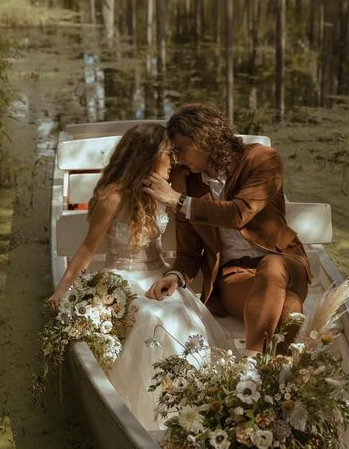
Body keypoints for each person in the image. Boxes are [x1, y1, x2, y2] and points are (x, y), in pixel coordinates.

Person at [47, 123, 230, 429]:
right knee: (150, 318)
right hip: (124, 278)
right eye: (167, 155)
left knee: (183, 318)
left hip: (160, 274)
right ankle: (156, 416)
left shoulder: (169, 187)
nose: (173, 161)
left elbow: (205, 175)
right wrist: (61, 290)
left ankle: (200, 403)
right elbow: (87, 250)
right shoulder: (113, 197)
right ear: (146, 157)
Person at [145, 104, 312, 356]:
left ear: (204, 140)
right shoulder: (187, 183)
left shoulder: (262, 160)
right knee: (290, 308)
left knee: (273, 266)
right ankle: (278, 382)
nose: (178, 158)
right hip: (235, 275)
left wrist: (177, 201)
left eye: (181, 149)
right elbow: (189, 253)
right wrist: (175, 276)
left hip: (287, 265)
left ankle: (251, 363)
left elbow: (238, 213)